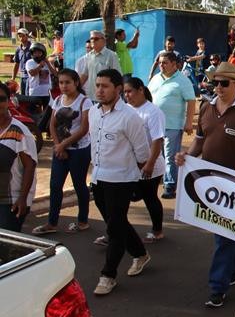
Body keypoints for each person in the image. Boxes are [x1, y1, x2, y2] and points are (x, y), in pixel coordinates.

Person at [177, 61, 235, 308]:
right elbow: (199, 142)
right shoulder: (207, 108)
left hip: (234, 187)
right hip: (208, 184)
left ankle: (217, 287)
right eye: (214, 82)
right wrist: (186, 156)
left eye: (223, 83)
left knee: (223, 233)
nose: (218, 87)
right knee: (228, 231)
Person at [89, 69, 152, 296]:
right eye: (97, 85)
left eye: (105, 86)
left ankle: (108, 275)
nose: (99, 90)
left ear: (117, 90)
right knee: (117, 223)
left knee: (114, 229)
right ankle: (140, 253)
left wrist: (132, 175)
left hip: (121, 181)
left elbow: (142, 152)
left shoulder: (129, 117)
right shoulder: (93, 113)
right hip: (98, 178)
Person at [32, 69, 91, 235]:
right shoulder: (57, 100)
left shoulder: (84, 102)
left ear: (76, 83)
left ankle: (82, 220)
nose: (64, 86)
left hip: (79, 151)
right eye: (61, 82)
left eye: (67, 82)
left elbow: (84, 129)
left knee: (79, 185)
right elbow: (52, 124)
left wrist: (63, 145)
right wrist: (58, 146)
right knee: (55, 185)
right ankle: (52, 223)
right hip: (60, 150)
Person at [148, 51, 196, 199]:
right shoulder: (156, 78)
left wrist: (188, 122)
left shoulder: (183, 81)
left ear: (174, 65)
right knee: (156, 154)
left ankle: (170, 185)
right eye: (160, 63)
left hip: (173, 125)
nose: (161, 65)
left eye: (164, 63)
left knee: (170, 156)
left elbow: (191, 101)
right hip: (154, 125)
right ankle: (156, 180)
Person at [123, 77, 166, 242]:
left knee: (150, 198)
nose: (127, 95)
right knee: (121, 199)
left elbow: (157, 140)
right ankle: (116, 232)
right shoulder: (125, 109)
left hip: (149, 166)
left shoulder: (153, 112)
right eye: (124, 92)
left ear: (140, 90)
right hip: (128, 165)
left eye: (130, 91)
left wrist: (149, 164)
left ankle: (157, 231)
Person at [0, 81, 36, 232]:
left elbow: (30, 166)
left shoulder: (19, 131)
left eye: (1, 99)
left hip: (11, 201)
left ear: (9, 102)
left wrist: (22, 199)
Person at [79, 31, 122, 103]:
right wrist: (75, 89)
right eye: (91, 39)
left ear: (104, 41)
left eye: (96, 39)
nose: (92, 41)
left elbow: (117, 76)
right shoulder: (89, 56)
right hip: (91, 97)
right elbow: (84, 75)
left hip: (106, 98)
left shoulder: (111, 55)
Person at [12, 28, 32, 95]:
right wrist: (13, 78)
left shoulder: (32, 48)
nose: (21, 38)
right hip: (22, 76)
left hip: (31, 76)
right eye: (19, 36)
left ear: (27, 36)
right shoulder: (18, 49)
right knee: (23, 95)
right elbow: (16, 64)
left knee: (28, 95)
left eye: (23, 36)